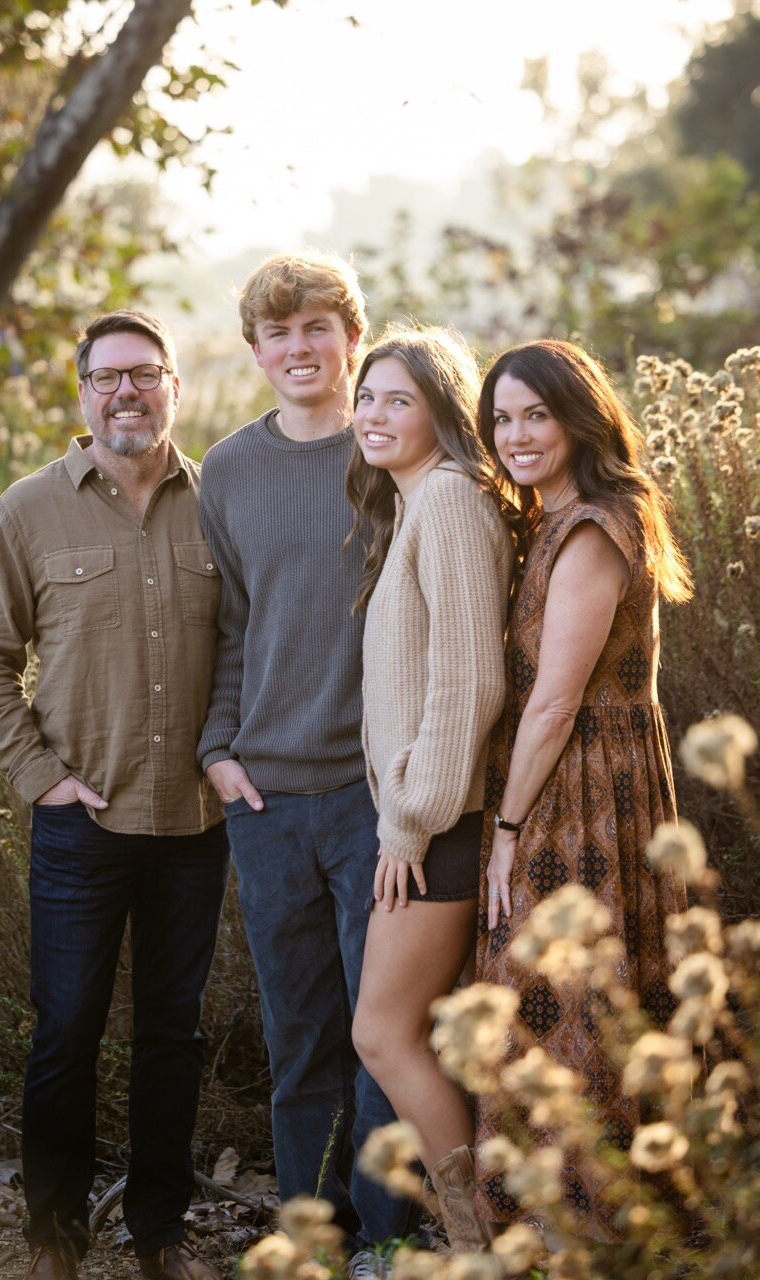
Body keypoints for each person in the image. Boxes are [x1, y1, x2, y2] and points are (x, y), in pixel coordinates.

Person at [0, 311, 228, 1280]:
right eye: (108, 376)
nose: (128, 391)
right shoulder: (30, 509)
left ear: (173, 389)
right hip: (82, 820)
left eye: (146, 374)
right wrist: (43, 780)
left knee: (173, 1032)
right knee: (66, 1028)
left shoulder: (217, 502)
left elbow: (245, 649)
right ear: (82, 394)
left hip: (195, 821)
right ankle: (52, 1237)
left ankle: (160, 1233)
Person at [197, 252, 418, 1270]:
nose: (298, 347)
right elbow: (228, 625)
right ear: (255, 351)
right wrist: (218, 753)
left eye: (316, 327)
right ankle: (308, 1228)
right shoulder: (230, 471)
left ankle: (384, 1233)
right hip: (269, 798)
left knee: (382, 1034)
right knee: (300, 1035)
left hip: (378, 798)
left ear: (350, 338)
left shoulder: (391, 453)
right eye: (278, 333)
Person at [473, 338, 692, 1240]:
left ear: (578, 417)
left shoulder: (594, 527)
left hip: (582, 791)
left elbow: (557, 700)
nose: (514, 434)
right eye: (500, 418)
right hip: (582, 776)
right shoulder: (550, 519)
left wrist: (505, 827)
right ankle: (564, 1220)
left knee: (560, 998)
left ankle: (584, 1226)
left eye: (535, 414)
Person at [345, 326, 514, 1253]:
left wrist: (407, 823)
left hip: (435, 826)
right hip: (423, 819)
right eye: (367, 397)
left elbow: (468, 683)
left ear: (442, 412)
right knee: (411, 1035)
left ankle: (476, 1243)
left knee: (383, 1035)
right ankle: (483, 1237)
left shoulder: (447, 499)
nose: (373, 414)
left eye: (397, 399)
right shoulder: (415, 505)